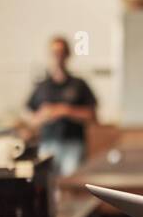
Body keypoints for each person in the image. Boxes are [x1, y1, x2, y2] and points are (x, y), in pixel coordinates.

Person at [26, 35, 97, 177]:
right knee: (47, 186)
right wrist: (44, 115)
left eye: (61, 53)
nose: (58, 57)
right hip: (47, 145)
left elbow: (92, 115)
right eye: (54, 53)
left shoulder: (79, 85)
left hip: (73, 145)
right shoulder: (42, 87)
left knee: (69, 185)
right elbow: (30, 119)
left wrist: (65, 111)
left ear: (67, 55)